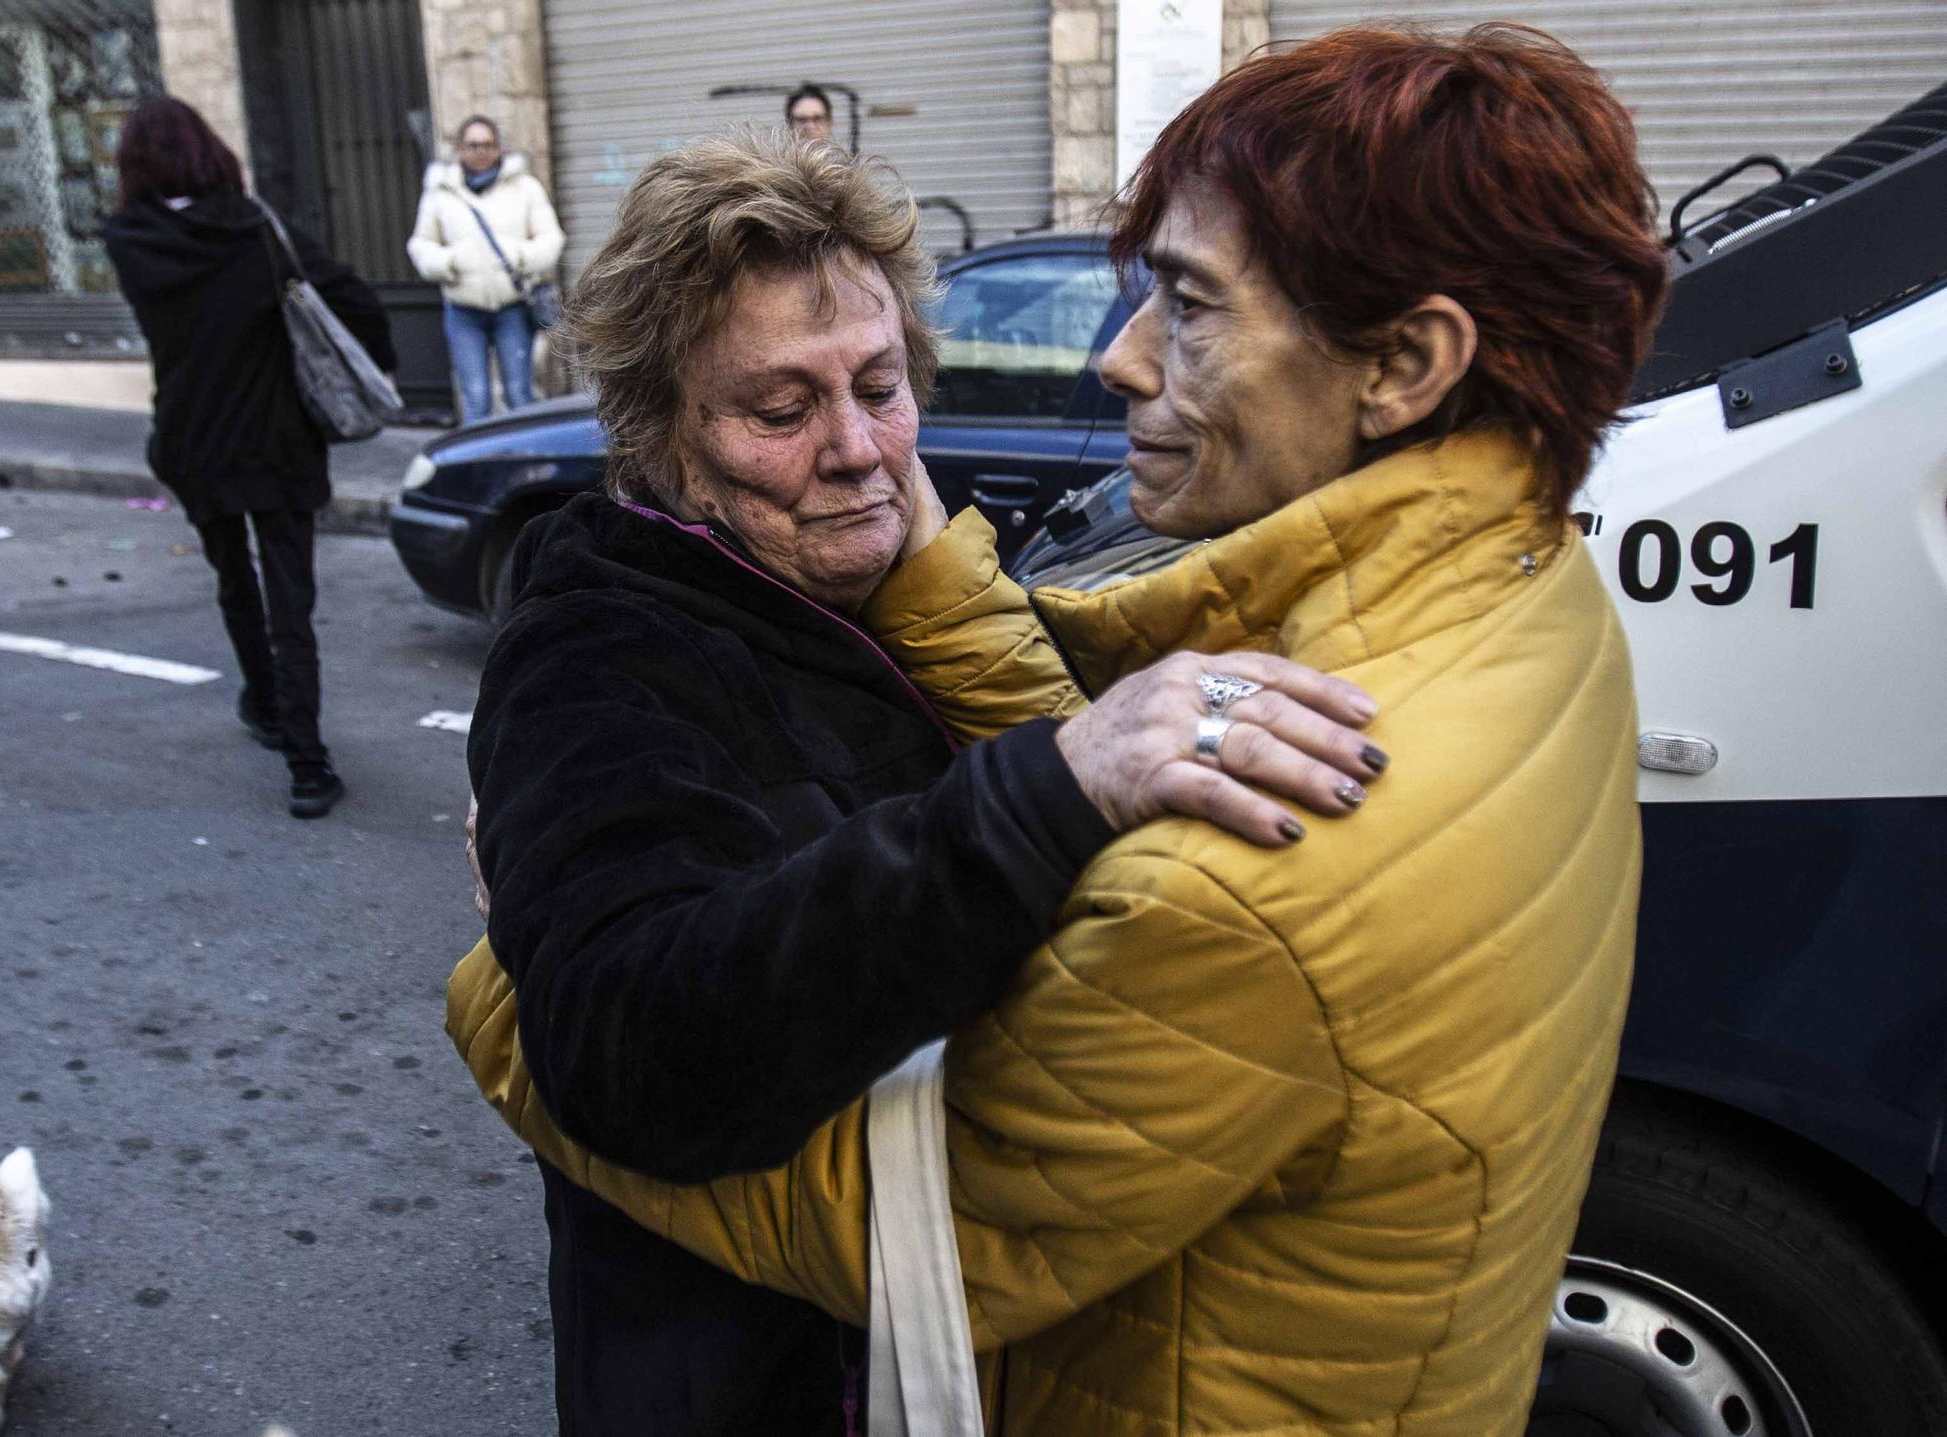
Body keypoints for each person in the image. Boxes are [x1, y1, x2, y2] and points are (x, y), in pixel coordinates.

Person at [452, 23, 1667, 1437]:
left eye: (883, 384)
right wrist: (1045, 769)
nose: (858, 447)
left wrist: (496, 989)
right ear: (659, 440)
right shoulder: (603, 642)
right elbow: (638, 1032)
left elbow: (928, 1208)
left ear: (1405, 364)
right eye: (783, 407)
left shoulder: (1262, 856)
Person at [104, 96, 394, 819]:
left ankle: (264, 705)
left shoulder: (128, 241)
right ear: (210, 152)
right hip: (275, 440)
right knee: (290, 601)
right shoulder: (254, 229)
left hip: (191, 440)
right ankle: (307, 763)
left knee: (234, 581)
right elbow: (353, 296)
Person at [405, 116, 564, 422]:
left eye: (489, 144)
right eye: (474, 145)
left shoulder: (524, 187)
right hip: (463, 310)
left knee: (519, 394)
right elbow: (420, 244)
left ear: (499, 148)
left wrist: (518, 257)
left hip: (512, 308)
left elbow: (551, 239)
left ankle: (527, 460)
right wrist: (449, 263)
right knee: (476, 398)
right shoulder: (441, 192)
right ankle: (479, 467)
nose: (482, 151)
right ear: (460, 149)